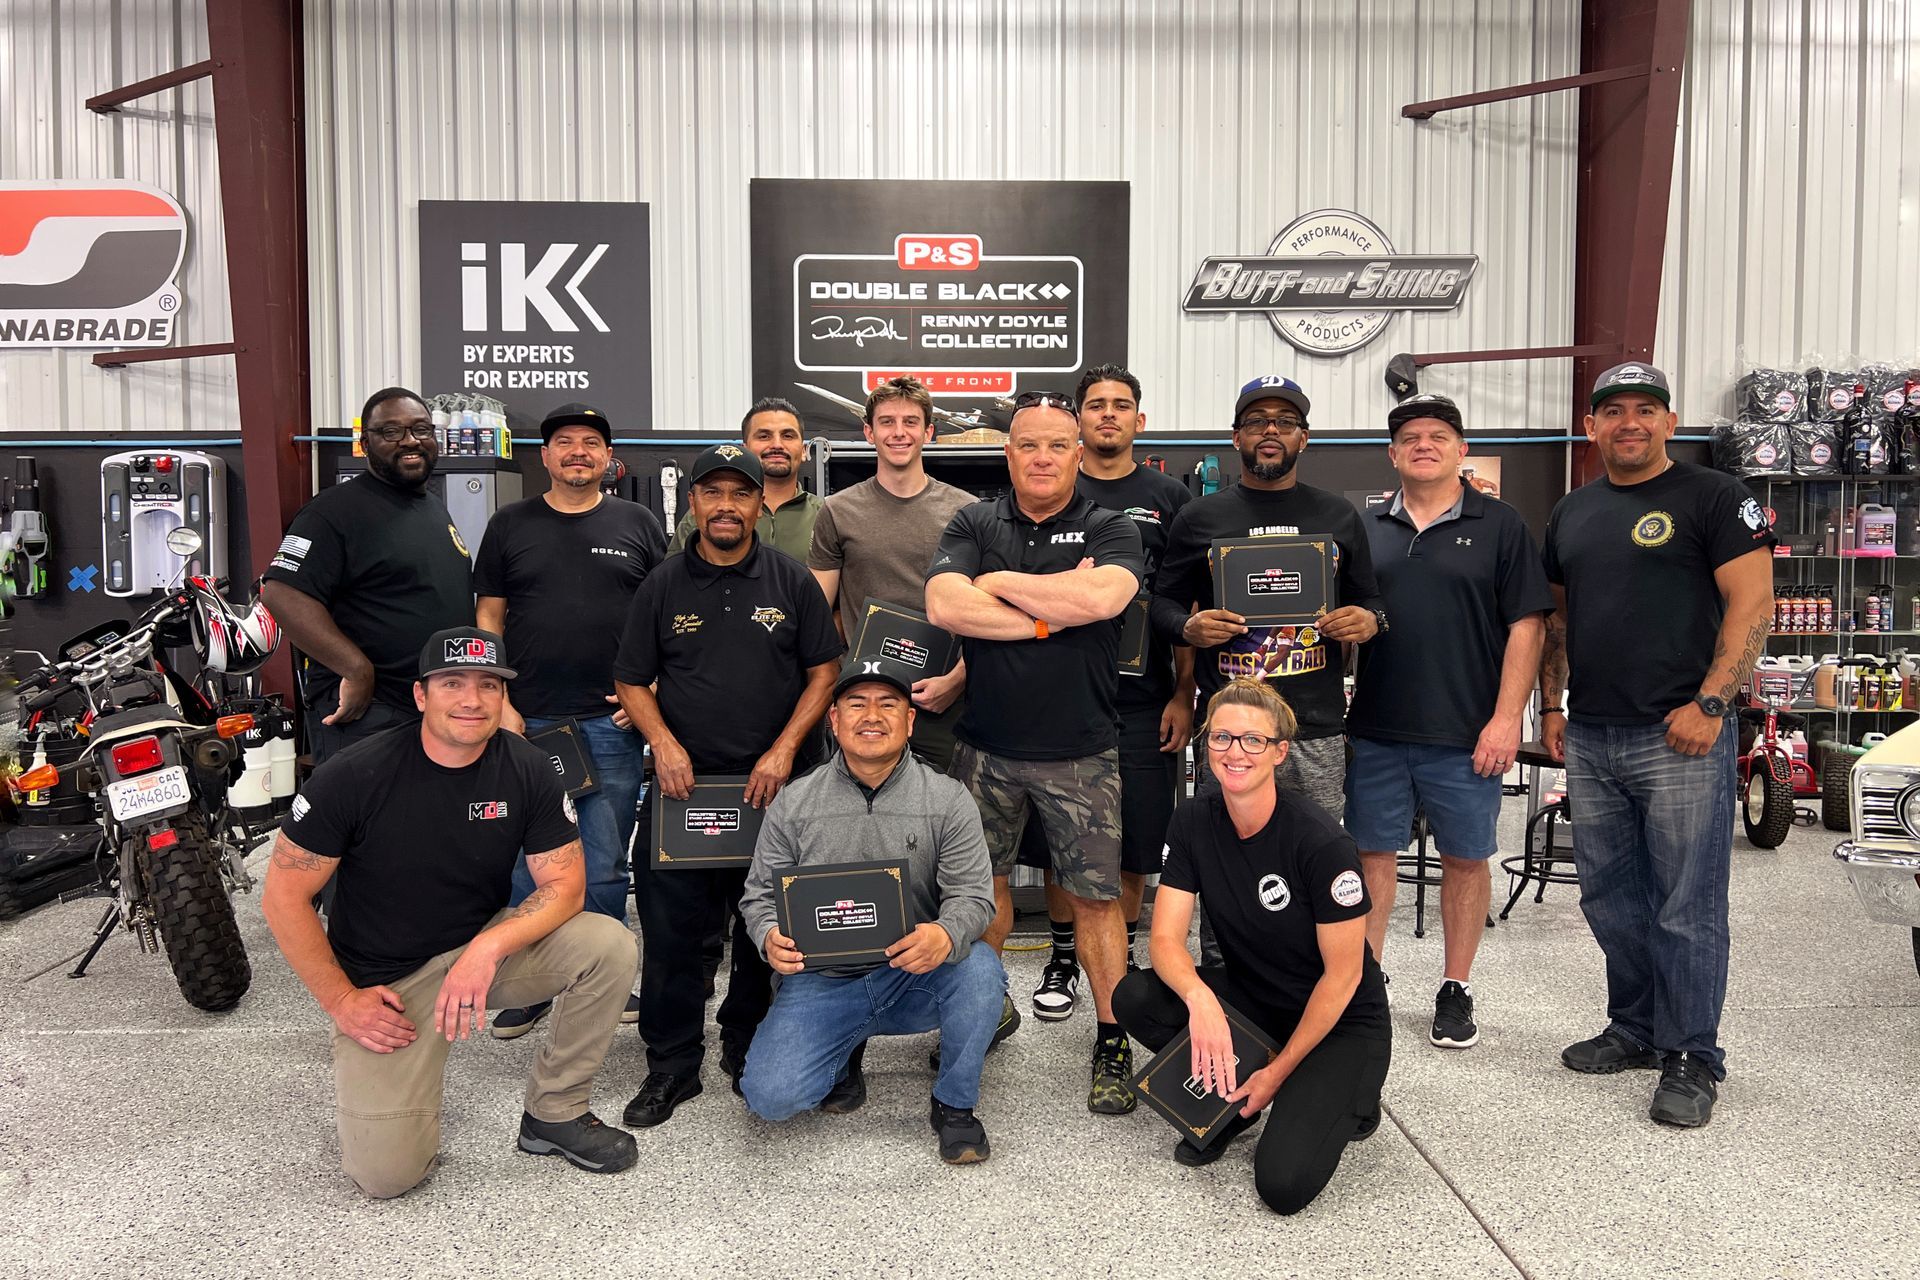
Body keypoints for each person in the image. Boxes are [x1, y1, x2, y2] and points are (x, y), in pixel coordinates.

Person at [259, 627, 639, 1198]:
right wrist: (341, 1001)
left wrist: (487, 949)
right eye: (452, 683)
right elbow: (283, 897)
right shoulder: (356, 773)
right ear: (420, 696)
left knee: (608, 945)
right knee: (385, 1178)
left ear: (503, 698)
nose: (471, 700)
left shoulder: (528, 767)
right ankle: (402, 1110)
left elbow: (564, 885)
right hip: (388, 981)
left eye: (489, 685)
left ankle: (554, 1112)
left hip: (476, 947)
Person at [1540, 362, 1774, 1128]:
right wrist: (1552, 704)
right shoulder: (1572, 511)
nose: (1629, 422)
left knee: (1687, 904)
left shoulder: (1714, 496)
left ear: (1671, 423)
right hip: (1595, 733)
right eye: (1613, 411)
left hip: (1682, 733)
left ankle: (1693, 1055)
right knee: (1610, 898)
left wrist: (1712, 702)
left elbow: (1754, 605)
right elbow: (1562, 623)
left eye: (1646, 409)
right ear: (1592, 426)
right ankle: (1636, 1029)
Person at [926, 391, 1145, 1113]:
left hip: (1081, 754)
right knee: (978, 896)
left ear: (1079, 452)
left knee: (1095, 903)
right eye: (1028, 445)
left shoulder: (1110, 525)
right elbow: (945, 607)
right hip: (984, 750)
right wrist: (1053, 613)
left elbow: (1106, 599)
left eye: (1057, 444)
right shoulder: (972, 519)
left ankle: (1112, 1038)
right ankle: (985, 1010)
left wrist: (1000, 589)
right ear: (1008, 453)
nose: (1043, 457)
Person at [613, 443, 844, 1127]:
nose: (724, 505)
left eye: (738, 494)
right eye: (711, 493)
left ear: (756, 505)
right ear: (693, 504)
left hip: (772, 794)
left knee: (760, 932)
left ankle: (745, 1046)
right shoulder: (661, 583)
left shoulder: (790, 580)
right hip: (684, 793)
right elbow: (630, 676)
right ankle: (672, 1065)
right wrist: (662, 741)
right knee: (673, 935)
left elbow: (824, 674)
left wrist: (783, 750)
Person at [1112, 678, 1390, 1214]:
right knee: (1137, 997)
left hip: (1339, 1020)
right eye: (1221, 738)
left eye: (1252, 740)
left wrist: (1277, 1072)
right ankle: (1233, 1103)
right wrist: (1201, 1002)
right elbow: (1167, 938)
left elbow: (1343, 977)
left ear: (1280, 752)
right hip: (1255, 997)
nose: (1234, 751)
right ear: (1205, 744)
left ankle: (1345, 1093)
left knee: (1282, 1187)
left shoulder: (1321, 842)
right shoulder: (1193, 820)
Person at [1346, 394, 1553, 1049]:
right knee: (1373, 855)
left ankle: (1455, 988)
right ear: (1393, 453)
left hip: (1467, 735)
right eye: (1410, 437)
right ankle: (1365, 983)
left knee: (1467, 860)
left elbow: (1528, 626)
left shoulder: (1501, 524)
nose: (1424, 445)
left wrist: (1505, 720)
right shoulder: (1366, 525)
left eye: (1439, 436)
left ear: (1461, 450)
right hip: (1377, 728)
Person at [736, 659, 1003, 1164]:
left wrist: (945, 934)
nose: (871, 716)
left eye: (888, 704)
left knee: (981, 968)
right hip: (823, 978)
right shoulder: (794, 802)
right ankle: (844, 1049)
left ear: (910, 721)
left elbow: (974, 895)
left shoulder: (947, 798)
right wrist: (768, 933)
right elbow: (758, 895)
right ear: (833, 721)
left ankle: (954, 1104)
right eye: (856, 704)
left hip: (912, 972)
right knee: (771, 1099)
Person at [473, 402, 667, 1037]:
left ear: (608, 458)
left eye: (591, 442)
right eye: (564, 442)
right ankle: (529, 979)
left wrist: (649, 687)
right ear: (545, 455)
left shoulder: (637, 522)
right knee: (524, 859)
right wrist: (501, 703)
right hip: (527, 722)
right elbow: (489, 619)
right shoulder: (509, 525)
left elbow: (663, 614)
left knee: (606, 858)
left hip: (611, 724)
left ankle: (605, 977)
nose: (578, 451)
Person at [1025, 365, 1195, 1022]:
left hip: (1142, 698)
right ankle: (1064, 955)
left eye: (1121, 405)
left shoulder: (1168, 497)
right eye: (1094, 405)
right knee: (1064, 843)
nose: (1107, 416)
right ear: (1076, 421)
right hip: (1060, 695)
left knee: (1130, 844)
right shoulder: (1051, 490)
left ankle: (1117, 964)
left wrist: (1183, 692)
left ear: (1139, 421)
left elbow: (1181, 602)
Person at [1150, 375, 1385, 817]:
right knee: (1224, 859)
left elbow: (1373, 602)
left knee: (1316, 858)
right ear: (1237, 437)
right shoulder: (1198, 517)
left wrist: (1369, 621)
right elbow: (1162, 608)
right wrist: (1188, 627)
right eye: (1257, 421)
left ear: (1305, 438)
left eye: (1286, 421)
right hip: (1229, 725)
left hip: (1314, 728)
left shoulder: (1338, 514)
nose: (1271, 430)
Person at [261, 387, 473, 762]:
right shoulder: (333, 512)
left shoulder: (432, 507)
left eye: (421, 429)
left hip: (428, 707)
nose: (411, 441)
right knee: (368, 819)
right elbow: (280, 593)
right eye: (391, 432)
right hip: (370, 712)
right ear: (365, 443)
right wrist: (356, 669)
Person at [809, 375, 977, 768]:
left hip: (943, 700)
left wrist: (957, 680)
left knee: (944, 820)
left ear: (929, 432)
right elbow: (816, 616)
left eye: (910, 422)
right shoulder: (837, 510)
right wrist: (836, 685)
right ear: (869, 431)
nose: (898, 433)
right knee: (860, 820)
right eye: (887, 422)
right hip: (864, 698)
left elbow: (987, 610)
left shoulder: (967, 512)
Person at [668, 398, 823, 560]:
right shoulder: (703, 516)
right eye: (764, 436)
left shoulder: (827, 516)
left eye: (788, 436)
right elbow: (673, 578)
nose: (777, 444)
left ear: (804, 450)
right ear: (745, 450)